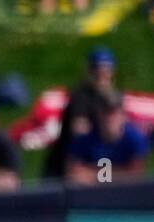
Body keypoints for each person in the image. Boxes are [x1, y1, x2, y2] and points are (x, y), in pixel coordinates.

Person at [44, 47, 119, 180]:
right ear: (90, 71)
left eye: (105, 71)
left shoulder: (112, 97)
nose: (101, 76)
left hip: (99, 158)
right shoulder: (81, 97)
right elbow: (79, 131)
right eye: (97, 71)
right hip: (71, 162)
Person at [66, 90, 148, 186]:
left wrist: (94, 175)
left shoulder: (134, 139)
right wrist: (120, 173)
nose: (110, 117)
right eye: (105, 112)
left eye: (114, 112)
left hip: (124, 194)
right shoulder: (84, 140)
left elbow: (135, 175)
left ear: (122, 115)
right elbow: (73, 173)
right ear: (98, 114)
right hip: (91, 194)